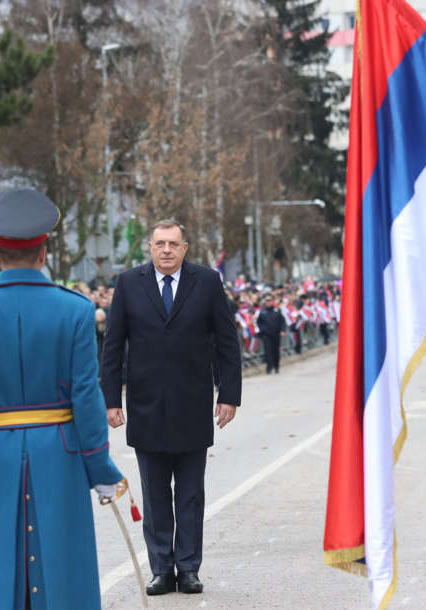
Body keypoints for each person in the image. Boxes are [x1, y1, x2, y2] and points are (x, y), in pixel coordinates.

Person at [0, 188, 123, 609]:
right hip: (61, 452)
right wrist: (100, 468)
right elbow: (87, 398)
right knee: (64, 572)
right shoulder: (74, 309)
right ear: (44, 252)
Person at [100, 218, 242, 596]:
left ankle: (189, 568)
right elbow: (113, 346)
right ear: (150, 247)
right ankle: (161, 568)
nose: (166, 250)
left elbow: (228, 342)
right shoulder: (129, 284)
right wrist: (111, 399)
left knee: (191, 494)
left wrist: (229, 395)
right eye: (160, 243)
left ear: (185, 248)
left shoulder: (207, 282)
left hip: (194, 407)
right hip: (146, 408)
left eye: (173, 244)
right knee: (155, 494)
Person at [257, 294, 286, 374]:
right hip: (267, 335)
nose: (268, 303)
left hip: (276, 334)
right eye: (267, 301)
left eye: (270, 301)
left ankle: (276, 366)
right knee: (268, 352)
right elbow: (259, 322)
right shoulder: (262, 312)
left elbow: (282, 321)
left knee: (276, 351)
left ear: (272, 302)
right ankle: (269, 368)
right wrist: (263, 330)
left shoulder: (277, 310)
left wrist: (283, 330)